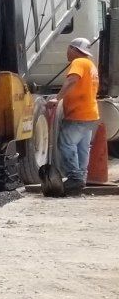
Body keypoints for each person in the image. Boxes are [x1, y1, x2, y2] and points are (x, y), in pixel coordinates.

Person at [57, 37, 102, 195]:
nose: (67, 52)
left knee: (66, 143)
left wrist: (57, 98)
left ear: (74, 49)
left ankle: (74, 177)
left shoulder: (78, 63)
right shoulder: (91, 65)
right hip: (91, 113)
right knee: (83, 147)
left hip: (79, 113)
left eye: (68, 49)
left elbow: (72, 80)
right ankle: (81, 179)